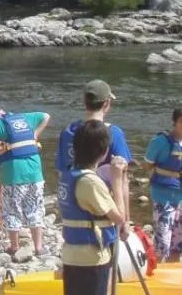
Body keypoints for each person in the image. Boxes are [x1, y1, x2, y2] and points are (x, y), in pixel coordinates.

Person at [56, 119, 128, 295]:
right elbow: (119, 217)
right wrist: (119, 179)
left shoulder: (69, 175)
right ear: (102, 151)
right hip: (91, 260)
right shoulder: (89, 182)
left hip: (74, 257)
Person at [56, 80, 133, 217]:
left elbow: (62, 173)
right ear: (106, 103)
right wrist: (125, 219)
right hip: (107, 210)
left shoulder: (68, 132)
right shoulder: (113, 133)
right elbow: (122, 179)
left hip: (75, 207)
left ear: (84, 101)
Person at [0, 108, 51, 257]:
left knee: (12, 209)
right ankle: (39, 248)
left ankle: (14, 247)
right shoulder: (26, 118)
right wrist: (35, 134)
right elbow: (46, 116)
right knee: (35, 208)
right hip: (35, 171)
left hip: (13, 173)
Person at [143, 106, 182, 262]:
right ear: (174, 122)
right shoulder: (160, 142)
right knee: (162, 242)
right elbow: (147, 164)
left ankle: (173, 270)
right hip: (163, 197)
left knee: (179, 243)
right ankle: (157, 271)